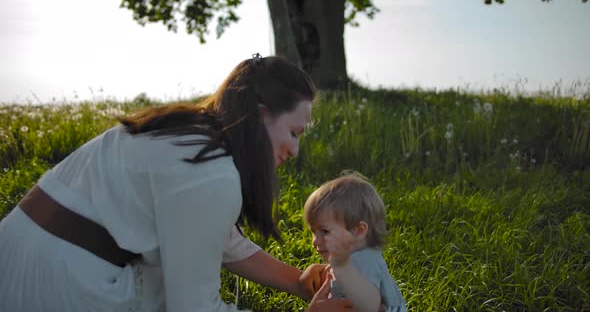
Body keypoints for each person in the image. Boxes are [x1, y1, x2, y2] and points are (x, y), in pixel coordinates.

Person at [0, 54, 352, 311]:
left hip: (14, 262)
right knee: (165, 287)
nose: (295, 149)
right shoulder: (212, 174)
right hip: (56, 288)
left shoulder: (187, 135)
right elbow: (194, 308)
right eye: (293, 132)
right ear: (260, 115)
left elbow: (216, 238)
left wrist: (298, 282)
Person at [303, 173, 407, 312]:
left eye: (325, 231)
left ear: (358, 231)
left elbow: (369, 306)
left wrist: (342, 268)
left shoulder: (365, 261)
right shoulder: (352, 260)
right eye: (314, 232)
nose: (315, 241)